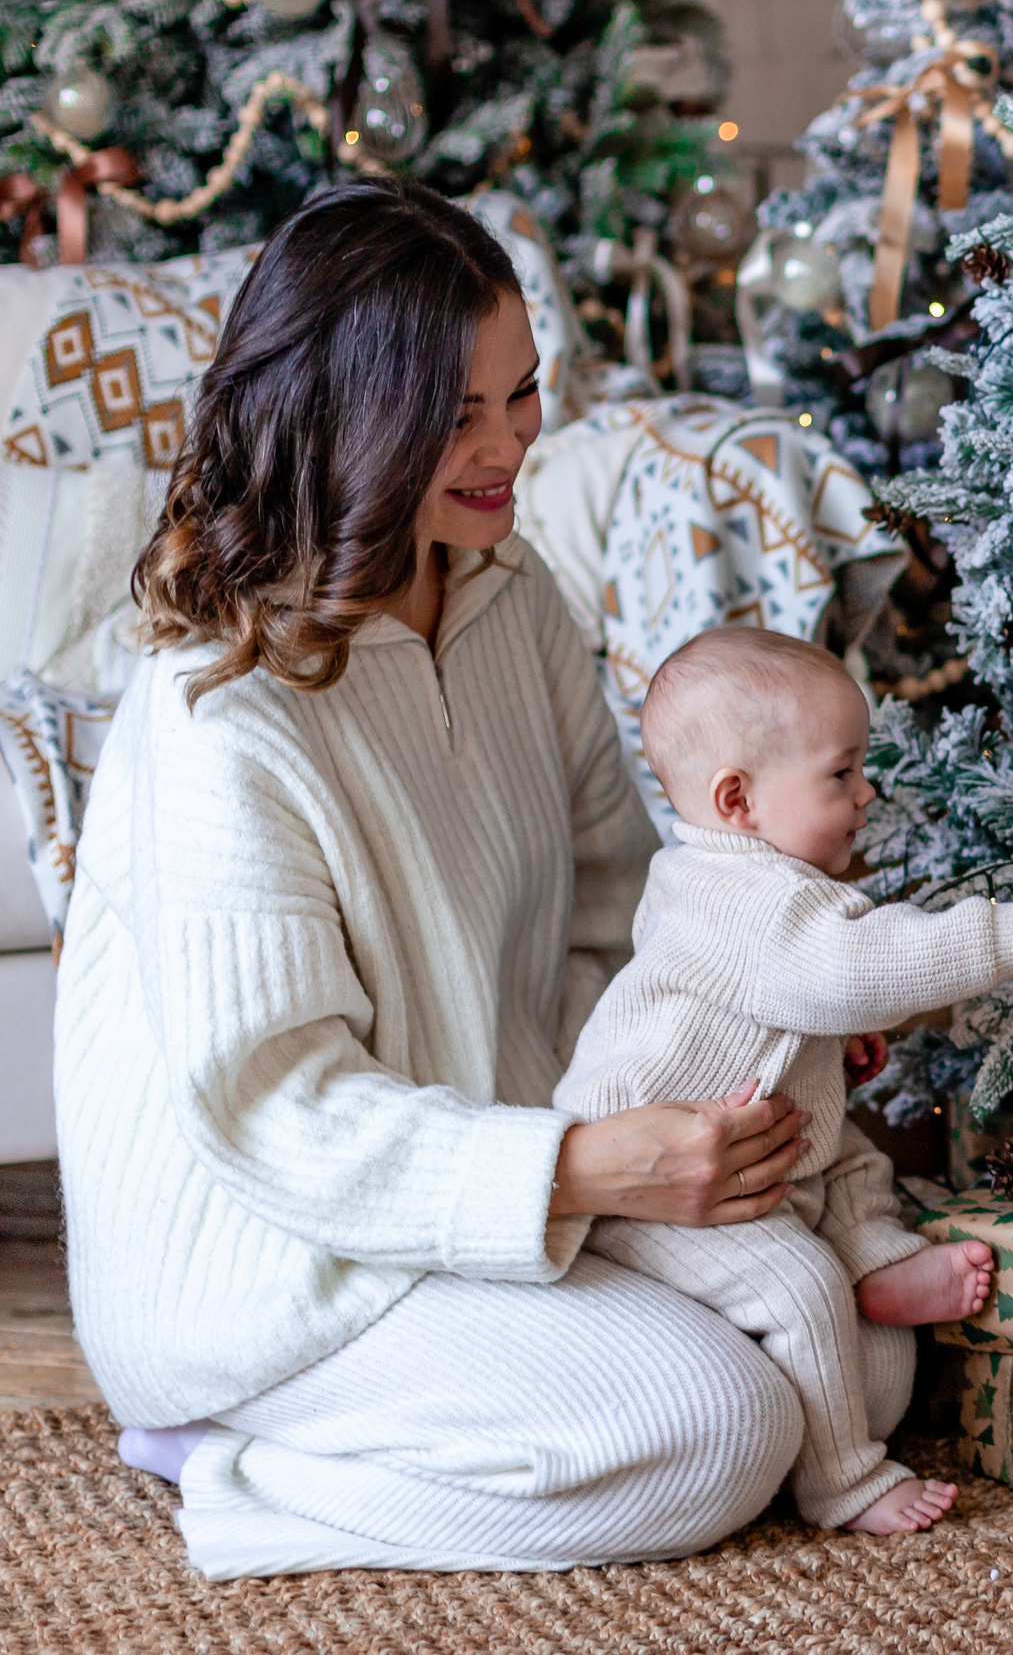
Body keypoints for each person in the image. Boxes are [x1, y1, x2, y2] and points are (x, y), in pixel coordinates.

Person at [59, 179, 815, 1578]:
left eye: (520, 395)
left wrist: (730, 1046)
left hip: (506, 1177)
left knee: (854, 1376)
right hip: (276, 1264)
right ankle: (234, 1467)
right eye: (457, 415)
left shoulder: (506, 591)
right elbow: (280, 1114)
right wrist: (590, 1167)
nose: (509, 444)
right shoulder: (218, 706)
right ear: (350, 417)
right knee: (722, 1427)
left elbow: (616, 904)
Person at [552, 625, 1013, 1535]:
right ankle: (843, 1482)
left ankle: (873, 1265)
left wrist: (827, 1034)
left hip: (757, 1144)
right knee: (795, 1285)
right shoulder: (750, 900)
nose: (867, 793)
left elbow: (787, 988)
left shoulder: (723, 878)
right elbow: (856, 963)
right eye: (841, 774)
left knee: (853, 1169)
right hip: (644, 1198)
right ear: (737, 798)